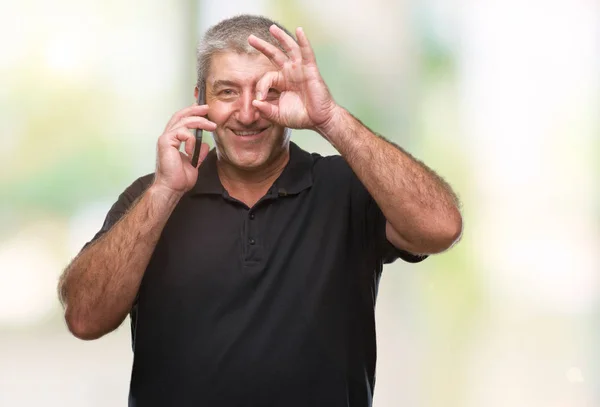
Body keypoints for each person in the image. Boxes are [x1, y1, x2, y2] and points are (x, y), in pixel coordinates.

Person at [58, 14, 462, 407]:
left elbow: (441, 227)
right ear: (200, 101)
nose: (249, 113)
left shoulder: (347, 189)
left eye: (269, 91)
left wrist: (330, 119)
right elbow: (84, 319)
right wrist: (165, 192)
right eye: (228, 91)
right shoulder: (152, 197)